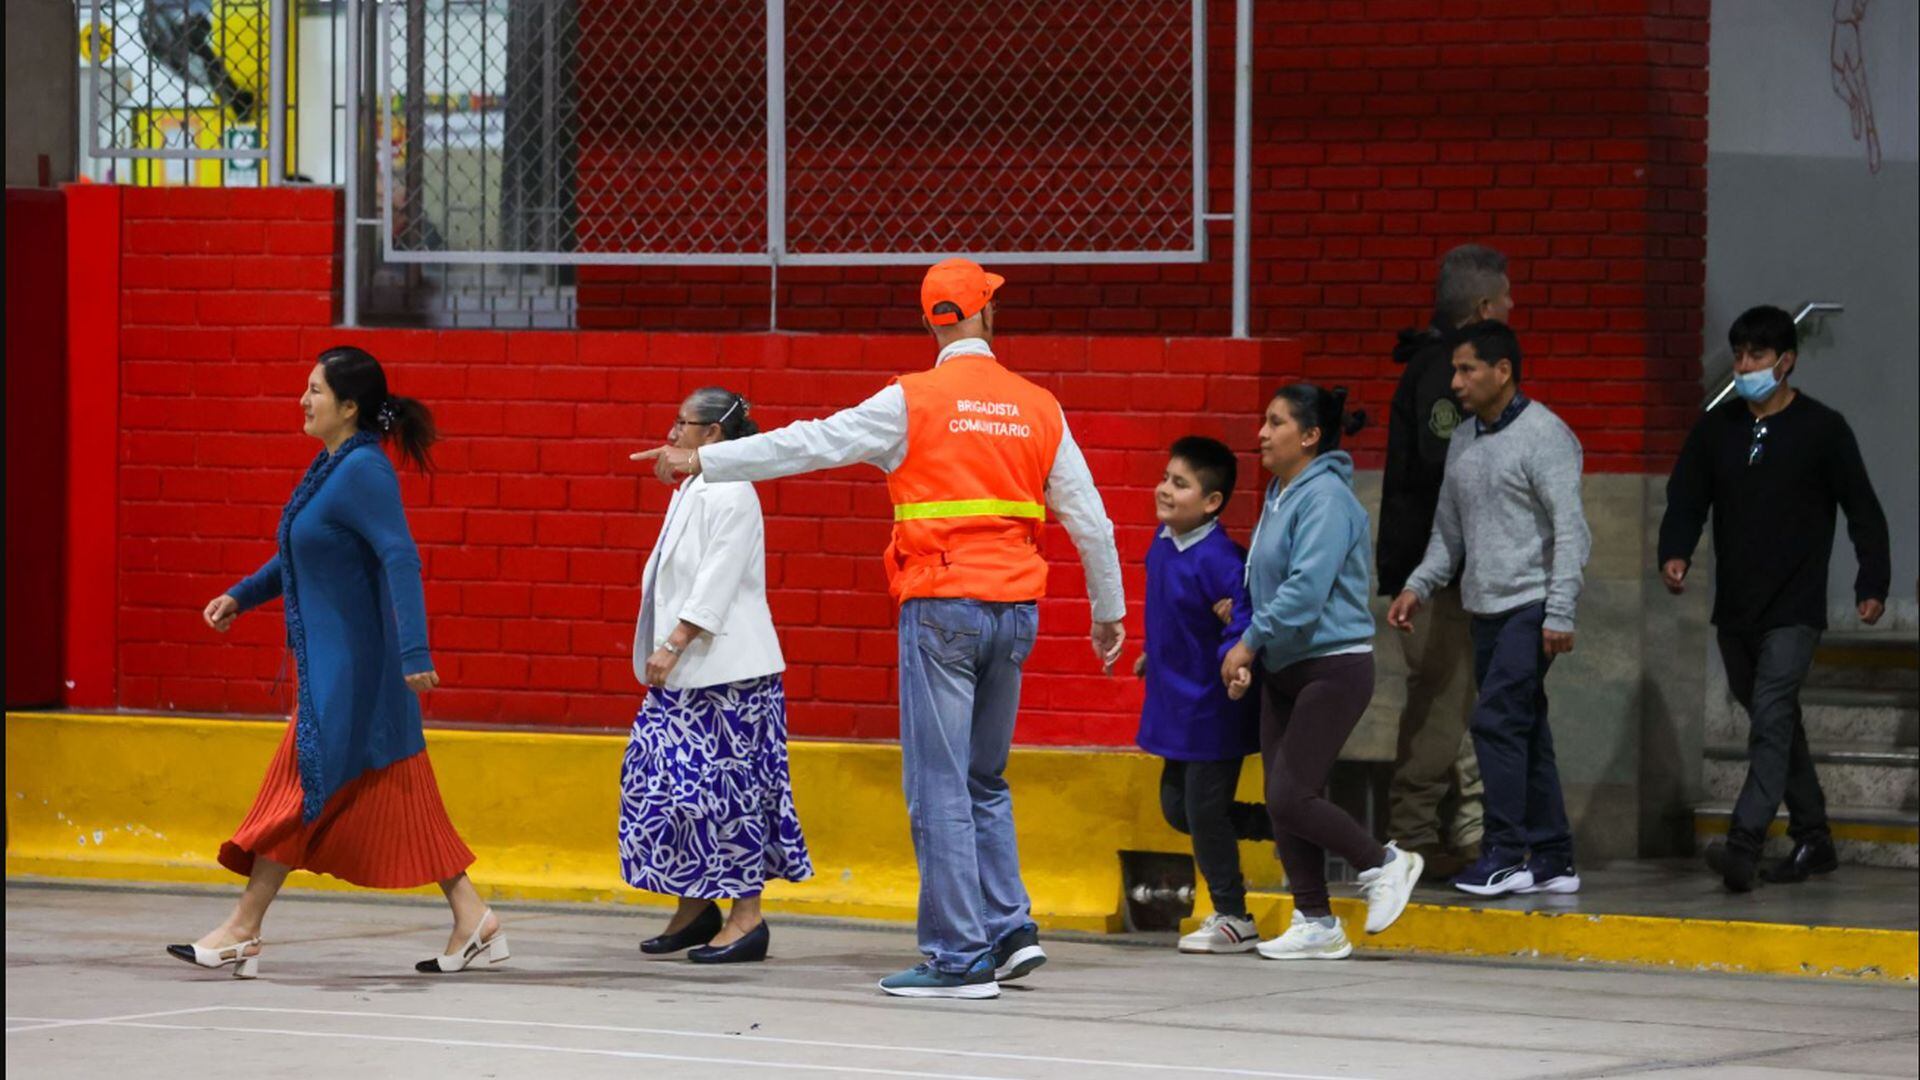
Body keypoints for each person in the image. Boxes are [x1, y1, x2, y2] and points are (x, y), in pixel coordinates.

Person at [636, 258, 1125, 1000]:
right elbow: (1089, 518)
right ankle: (1010, 929)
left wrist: (704, 458)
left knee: (937, 787)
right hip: (1015, 615)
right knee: (984, 779)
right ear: (984, 314)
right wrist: (1109, 611)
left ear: (933, 319)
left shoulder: (912, 400)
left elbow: (806, 443)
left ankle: (959, 959)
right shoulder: (1038, 406)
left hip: (942, 610)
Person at [175, 346, 502, 978]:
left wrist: (415, 654)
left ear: (350, 407)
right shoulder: (330, 467)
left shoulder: (363, 472)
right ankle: (474, 918)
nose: (303, 400)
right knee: (397, 792)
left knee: (301, 787)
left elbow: (400, 557)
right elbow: (303, 555)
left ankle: (243, 928)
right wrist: (241, 595)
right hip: (332, 667)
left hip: (358, 671)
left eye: (316, 390)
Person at [1659, 305, 1890, 892]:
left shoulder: (1823, 430)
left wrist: (1872, 583)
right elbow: (1687, 496)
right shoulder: (1718, 429)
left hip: (1794, 605)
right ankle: (1814, 836)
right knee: (1775, 719)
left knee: (1769, 716)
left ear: (1785, 362)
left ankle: (1744, 842)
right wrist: (1676, 549)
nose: (1743, 366)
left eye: (1756, 357)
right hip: (1737, 605)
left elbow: (1863, 509)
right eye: (1738, 356)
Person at [1220, 384, 1424, 961]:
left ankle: (1385, 863)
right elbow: (1259, 584)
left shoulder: (1327, 498)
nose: (1261, 432)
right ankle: (1316, 920)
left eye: (1275, 422)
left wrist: (1250, 643)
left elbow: (1305, 593)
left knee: (1289, 795)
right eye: (1264, 421)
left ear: (1309, 436)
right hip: (1285, 665)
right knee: (1283, 795)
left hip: (1333, 666)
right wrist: (1246, 650)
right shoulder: (1281, 493)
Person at [1388, 321, 1591, 897]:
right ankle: (1553, 858)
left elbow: (1572, 533)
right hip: (1483, 608)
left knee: (1495, 721)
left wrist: (1560, 611)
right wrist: (1419, 586)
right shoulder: (1465, 440)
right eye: (1454, 369)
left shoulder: (1546, 436)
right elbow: (1448, 534)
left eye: (1467, 369)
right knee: (1528, 729)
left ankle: (1504, 853)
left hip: (1531, 604)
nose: (1456, 381)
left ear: (1503, 371)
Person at [622, 387, 812, 963]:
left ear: (712, 436)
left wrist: (675, 641)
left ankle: (746, 918)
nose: (673, 433)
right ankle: (695, 905)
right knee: (660, 788)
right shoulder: (696, 487)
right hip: (685, 675)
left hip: (729, 676)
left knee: (730, 798)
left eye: (684, 424)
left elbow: (717, 580)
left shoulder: (732, 491)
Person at [1377, 245, 1512, 880]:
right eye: (1506, 301)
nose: (1513, 310)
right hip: (1432, 574)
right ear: (1484, 309)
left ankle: (1448, 831)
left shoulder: (1431, 367)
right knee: (1439, 702)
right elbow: (1445, 471)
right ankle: (1410, 840)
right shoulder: (1440, 377)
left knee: (1453, 704)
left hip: (1450, 570)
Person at [1133, 436, 1273, 954]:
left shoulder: (1221, 558)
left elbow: (1244, 616)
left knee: (1206, 812)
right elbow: (1169, 609)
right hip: (1176, 702)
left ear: (1212, 502)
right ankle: (1279, 823)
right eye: (1166, 477)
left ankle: (1234, 914)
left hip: (1213, 705)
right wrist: (1156, 652)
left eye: (1180, 483)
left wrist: (1237, 659)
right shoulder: (1163, 542)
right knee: (1177, 809)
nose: (1164, 489)